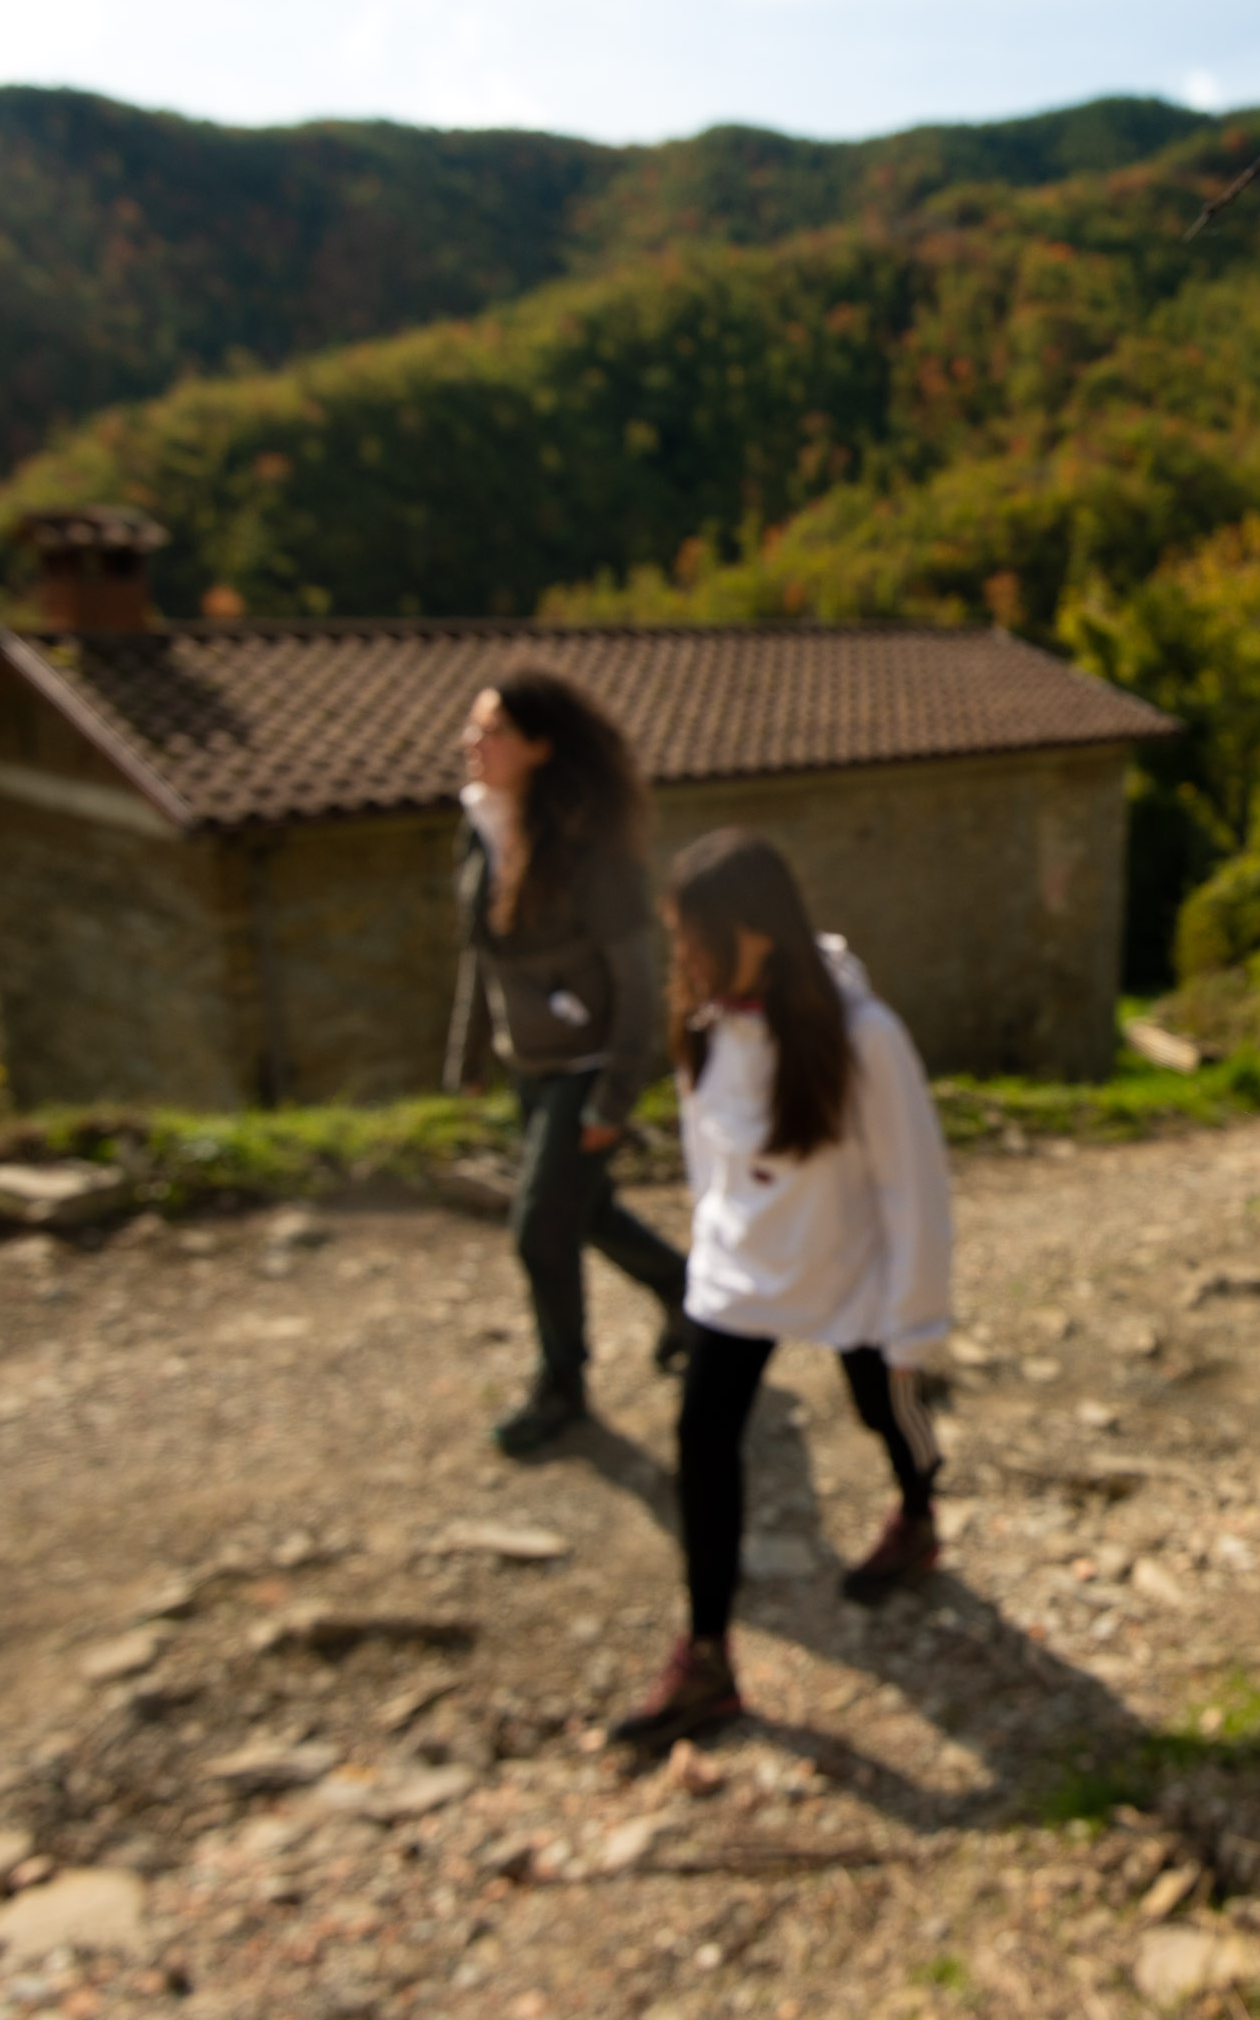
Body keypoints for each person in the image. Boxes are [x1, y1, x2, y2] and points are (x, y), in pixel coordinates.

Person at [612, 828, 954, 1748]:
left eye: (697, 935)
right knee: (703, 1440)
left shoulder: (863, 1039)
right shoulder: (704, 1019)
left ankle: (920, 1509)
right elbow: (707, 1161)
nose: (682, 957)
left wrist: (912, 1324)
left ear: (758, 930)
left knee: (890, 1411)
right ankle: (708, 1654)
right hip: (741, 1278)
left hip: (849, 1270)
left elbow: (913, 1188)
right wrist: (709, 1255)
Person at [448, 670, 690, 1458]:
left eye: (492, 732)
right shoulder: (481, 826)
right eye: (476, 729)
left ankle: (562, 1386)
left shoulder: (594, 850)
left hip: (588, 1067)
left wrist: (612, 1102)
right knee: (582, 1213)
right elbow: (480, 957)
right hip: (532, 1066)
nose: (471, 743)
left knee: (538, 1231)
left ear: (541, 748)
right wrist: (470, 1052)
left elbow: (638, 986)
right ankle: (684, 1291)